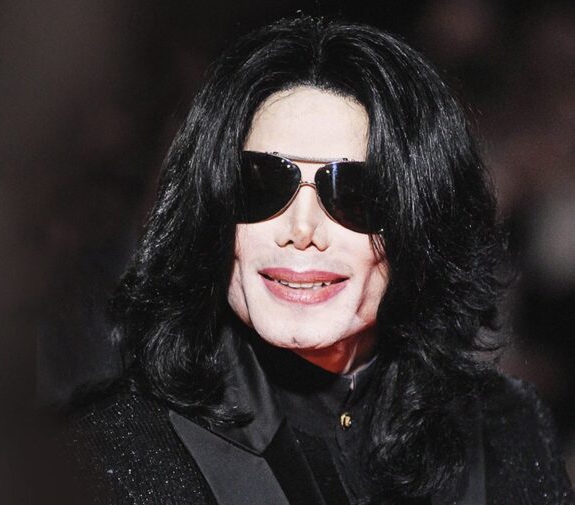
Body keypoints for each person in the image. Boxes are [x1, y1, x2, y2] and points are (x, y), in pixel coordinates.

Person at [62, 17, 574, 505]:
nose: (301, 229)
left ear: (420, 222)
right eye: (262, 184)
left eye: (353, 193)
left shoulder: (504, 434)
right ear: (211, 210)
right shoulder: (103, 456)